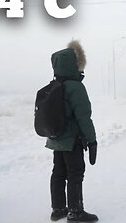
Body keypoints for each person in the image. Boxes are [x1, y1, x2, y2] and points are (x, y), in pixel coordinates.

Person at [46, 40, 98, 222]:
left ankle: (58, 209)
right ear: (74, 65)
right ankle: (75, 212)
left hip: (56, 138)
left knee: (58, 173)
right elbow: (84, 117)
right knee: (75, 173)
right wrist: (92, 141)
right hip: (72, 140)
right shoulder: (76, 87)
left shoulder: (55, 85)